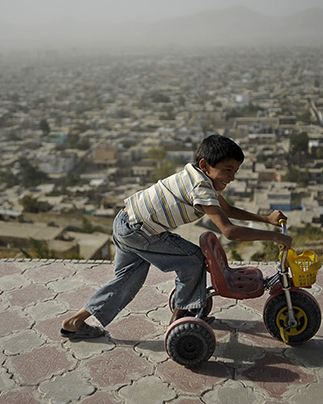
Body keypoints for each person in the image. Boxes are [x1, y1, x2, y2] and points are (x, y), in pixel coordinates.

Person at [60, 134, 292, 339]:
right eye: (227, 170)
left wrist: (266, 219)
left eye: (235, 171)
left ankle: (74, 322)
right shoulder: (201, 187)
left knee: (126, 282)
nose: (231, 177)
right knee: (192, 259)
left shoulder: (196, 176)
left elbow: (228, 210)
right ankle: (180, 320)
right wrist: (273, 237)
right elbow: (229, 230)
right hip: (141, 232)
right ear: (205, 165)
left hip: (125, 222)